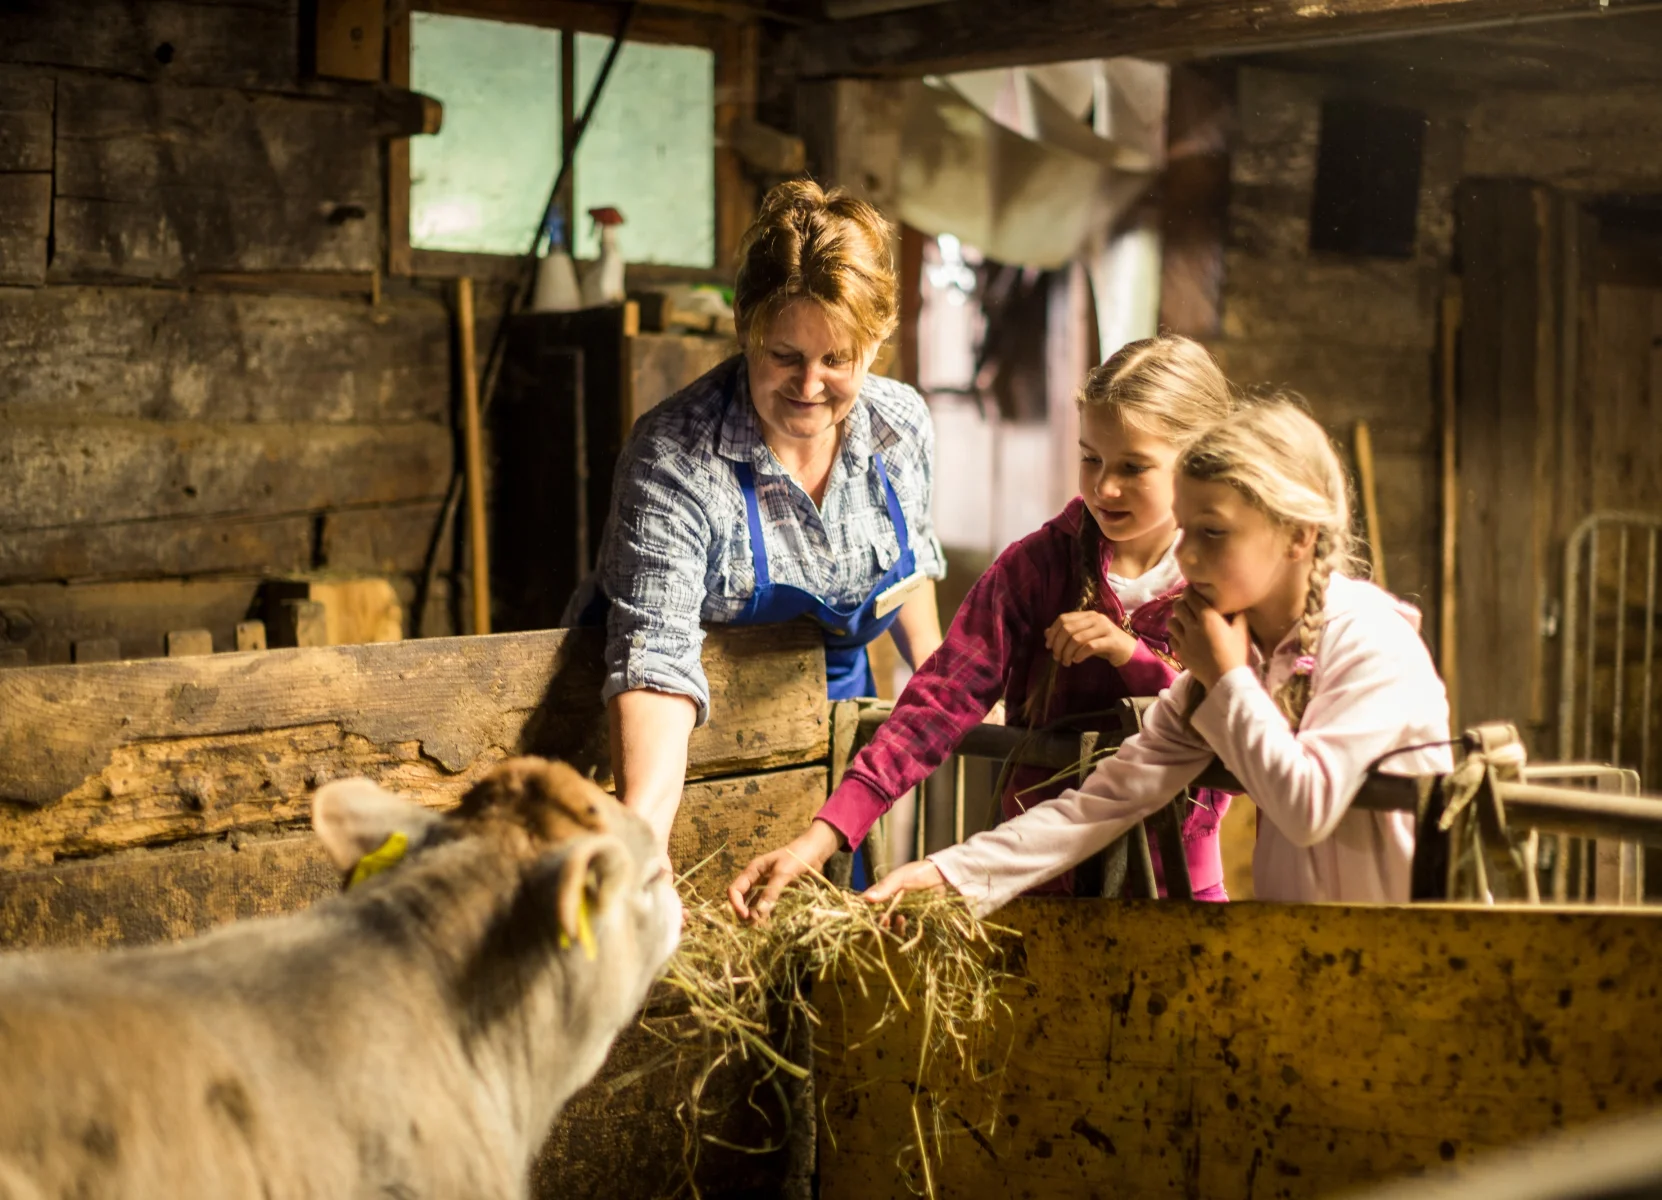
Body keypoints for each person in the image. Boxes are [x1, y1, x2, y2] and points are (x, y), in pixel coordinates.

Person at [863, 399, 1452, 914]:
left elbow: (1306, 807)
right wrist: (952, 875)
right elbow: (1102, 802)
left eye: (1213, 533)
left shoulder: (1369, 643)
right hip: (1301, 958)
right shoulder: (1232, 666)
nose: (1188, 558)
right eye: (1186, 531)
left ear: (1298, 536)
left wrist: (1227, 678)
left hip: (1403, 960)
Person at [730, 336, 1236, 922]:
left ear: (1197, 462)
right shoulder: (1040, 568)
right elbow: (939, 699)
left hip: (1180, 893)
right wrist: (825, 834)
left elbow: (1242, 717)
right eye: (1090, 457)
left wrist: (1131, 657)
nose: (1103, 487)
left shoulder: (1223, 582)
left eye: (1133, 467)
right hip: (1039, 888)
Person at [567, 180, 945, 855]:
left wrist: (944, 686)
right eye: (785, 356)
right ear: (747, 326)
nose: (808, 387)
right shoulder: (674, 456)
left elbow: (906, 572)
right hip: (686, 748)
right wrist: (644, 840)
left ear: (875, 340)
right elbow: (656, 663)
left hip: (829, 739)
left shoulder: (902, 426)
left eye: (838, 360)